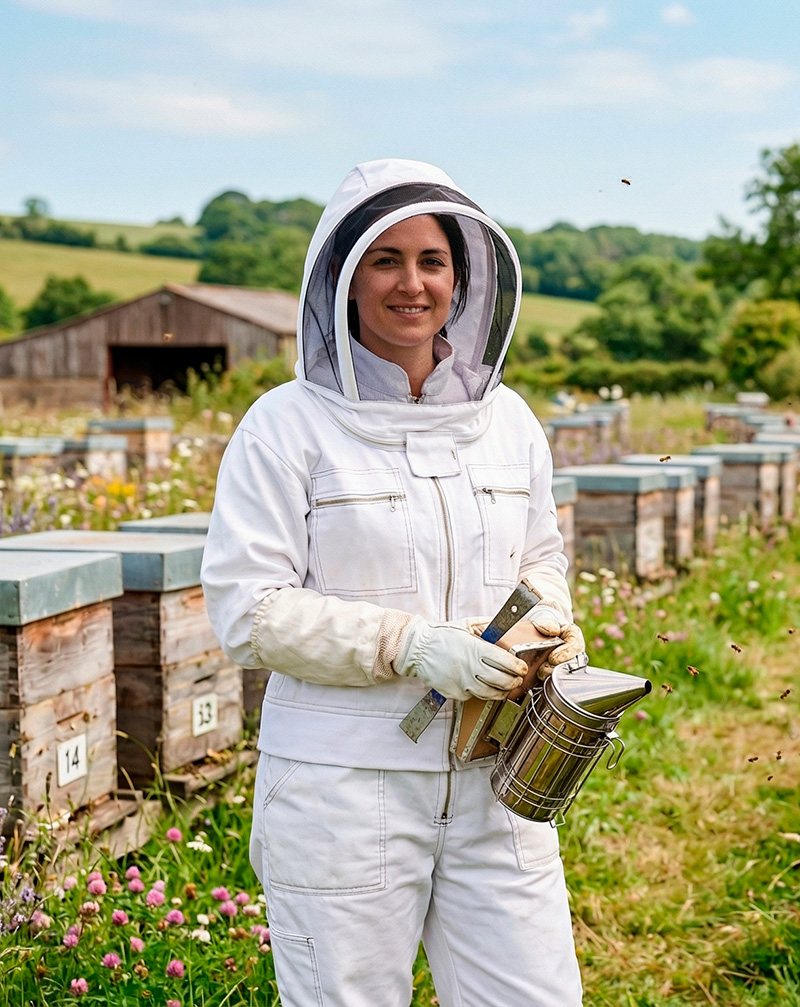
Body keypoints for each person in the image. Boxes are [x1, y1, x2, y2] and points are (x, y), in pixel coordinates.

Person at [201, 158, 585, 1007]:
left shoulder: (508, 421)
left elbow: (540, 556)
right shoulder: (285, 427)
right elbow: (247, 611)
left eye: (432, 260)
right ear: (342, 275)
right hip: (344, 793)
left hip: (496, 780)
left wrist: (551, 616)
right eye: (386, 259)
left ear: (464, 276)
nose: (412, 283)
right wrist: (409, 644)